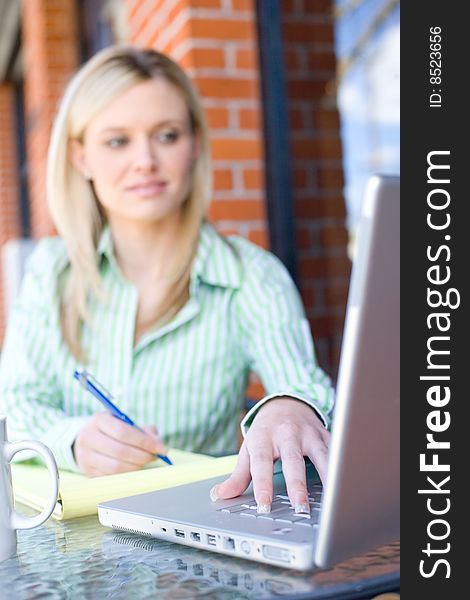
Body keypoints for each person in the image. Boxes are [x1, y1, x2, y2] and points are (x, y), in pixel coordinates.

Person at [0, 45, 334, 515]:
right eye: (118, 141)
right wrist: (73, 441)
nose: (145, 161)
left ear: (194, 144)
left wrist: (288, 407)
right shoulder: (50, 273)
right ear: (81, 158)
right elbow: (12, 410)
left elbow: (304, 386)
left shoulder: (248, 275)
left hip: (202, 543)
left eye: (167, 135)